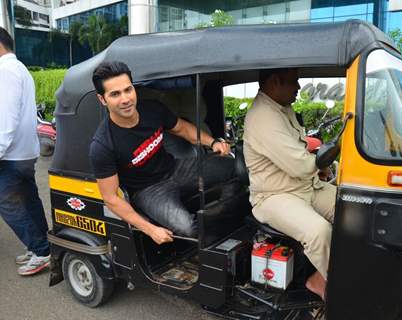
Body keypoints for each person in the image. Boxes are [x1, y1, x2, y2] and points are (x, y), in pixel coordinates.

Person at [89, 61, 235, 244]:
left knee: (233, 166)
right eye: (115, 94)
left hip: (175, 168)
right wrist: (150, 230)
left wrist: (213, 142)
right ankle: (207, 244)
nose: (125, 99)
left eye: (128, 90)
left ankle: (227, 221)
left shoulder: (152, 109)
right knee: (187, 228)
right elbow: (110, 198)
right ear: (102, 99)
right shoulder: (102, 145)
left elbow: (182, 129)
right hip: (148, 191)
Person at [243, 68, 336, 300]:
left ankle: (321, 278)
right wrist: (324, 159)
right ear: (275, 82)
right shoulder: (263, 116)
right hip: (274, 196)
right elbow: (300, 165)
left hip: (303, 187)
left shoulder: (282, 108)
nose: (298, 87)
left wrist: (320, 165)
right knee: (319, 232)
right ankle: (341, 293)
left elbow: (301, 149)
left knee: (355, 208)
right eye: (294, 81)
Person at [0, 27, 50, 276]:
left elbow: (5, 118)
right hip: (24, 151)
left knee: (7, 204)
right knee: (29, 199)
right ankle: (42, 246)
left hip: (9, 154)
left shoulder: (4, 71)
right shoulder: (20, 69)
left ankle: (40, 251)